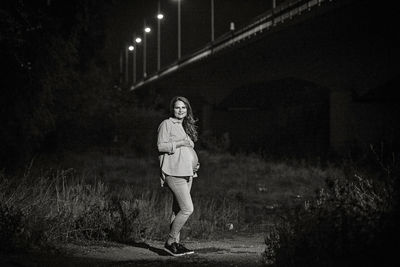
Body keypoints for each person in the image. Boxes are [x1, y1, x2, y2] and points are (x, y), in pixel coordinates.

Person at [157, 96, 200, 257]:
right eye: (177, 107)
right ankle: (169, 242)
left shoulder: (184, 127)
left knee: (177, 210)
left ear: (187, 110)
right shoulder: (166, 124)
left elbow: (188, 151)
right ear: (172, 109)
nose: (180, 110)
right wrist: (180, 143)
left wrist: (195, 163)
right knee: (187, 209)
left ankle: (175, 244)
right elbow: (160, 146)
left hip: (188, 173)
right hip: (174, 172)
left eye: (183, 108)